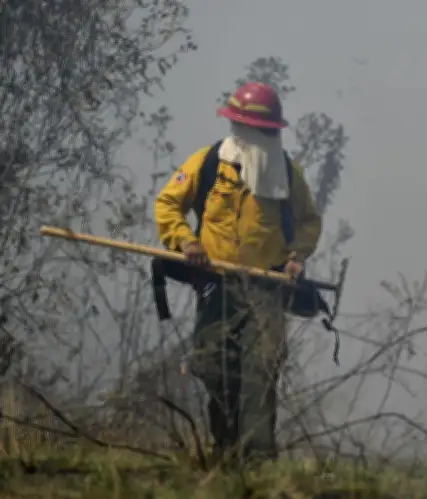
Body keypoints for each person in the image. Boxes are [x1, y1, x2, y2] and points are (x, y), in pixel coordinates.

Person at [153, 81, 322, 462]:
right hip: (215, 285)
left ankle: (258, 459)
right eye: (242, 126)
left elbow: (309, 221)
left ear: (272, 131)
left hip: (266, 287)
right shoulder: (208, 162)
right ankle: (224, 451)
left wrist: (297, 258)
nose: (248, 134)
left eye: (258, 129)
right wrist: (186, 242)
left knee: (260, 372)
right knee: (211, 364)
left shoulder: (289, 174)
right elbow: (167, 204)